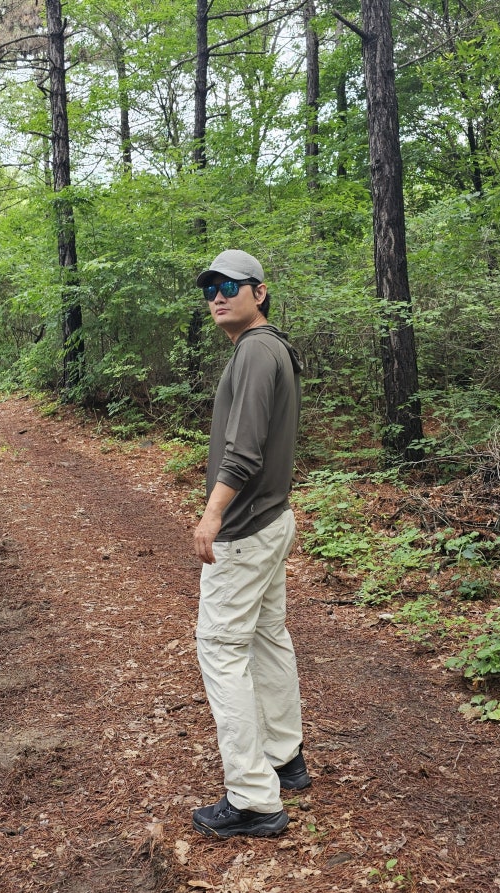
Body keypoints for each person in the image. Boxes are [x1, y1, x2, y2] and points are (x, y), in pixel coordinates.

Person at [190, 249, 311, 839]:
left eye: (230, 285)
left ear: (259, 292)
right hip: (271, 520)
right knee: (267, 637)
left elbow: (244, 450)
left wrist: (213, 516)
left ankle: (253, 798)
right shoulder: (269, 349)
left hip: (244, 529)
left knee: (219, 647)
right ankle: (285, 758)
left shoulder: (258, 353)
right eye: (211, 286)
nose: (217, 295)